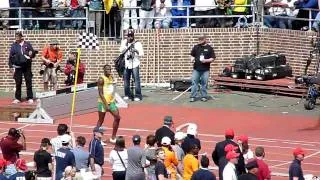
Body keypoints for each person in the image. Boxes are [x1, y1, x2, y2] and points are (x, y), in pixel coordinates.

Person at [8, 31, 36, 104]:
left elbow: (32, 53)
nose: (16, 38)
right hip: (18, 66)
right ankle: (18, 98)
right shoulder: (14, 45)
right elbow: (11, 56)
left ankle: (30, 97)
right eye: (16, 37)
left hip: (27, 66)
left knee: (28, 81)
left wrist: (31, 54)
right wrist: (10, 66)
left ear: (21, 37)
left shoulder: (27, 44)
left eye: (18, 37)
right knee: (18, 82)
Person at [96, 64, 121, 144]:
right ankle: (97, 138)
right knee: (101, 120)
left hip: (111, 102)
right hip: (103, 102)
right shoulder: (101, 79)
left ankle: (113, 138)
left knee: (117, 117)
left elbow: (111, 87)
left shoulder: (111, 77)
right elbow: (100, 93)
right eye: (107, 69)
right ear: (104, 70)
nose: (109, 71)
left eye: (110, 69)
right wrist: (106, 104)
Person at [119, 30, 144, 101]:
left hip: (135, 63)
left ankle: (138, 95)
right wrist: (126, 43)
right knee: (126, 80)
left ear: (133, 36)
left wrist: (136, 50)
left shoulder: (138, 43)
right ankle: (127, 94)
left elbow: (141, 53)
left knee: (136, 80)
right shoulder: (124, 42)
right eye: (128, 36)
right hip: (126, 64)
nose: (130, 37)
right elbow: (121, 50)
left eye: (131, 36)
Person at [190, 35, 215, 102]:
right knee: (194, 83)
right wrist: (192, 59)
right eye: (199, 40)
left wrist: (206, 60)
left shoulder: (210, 48)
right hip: (196, 69)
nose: (200, 41)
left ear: (205, 40)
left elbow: (212, 58)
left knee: (204, 83)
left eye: (201, 40)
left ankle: (204, 96)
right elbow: (192, 55)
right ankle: (193, 96)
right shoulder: (196, 47)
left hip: (205, 70)